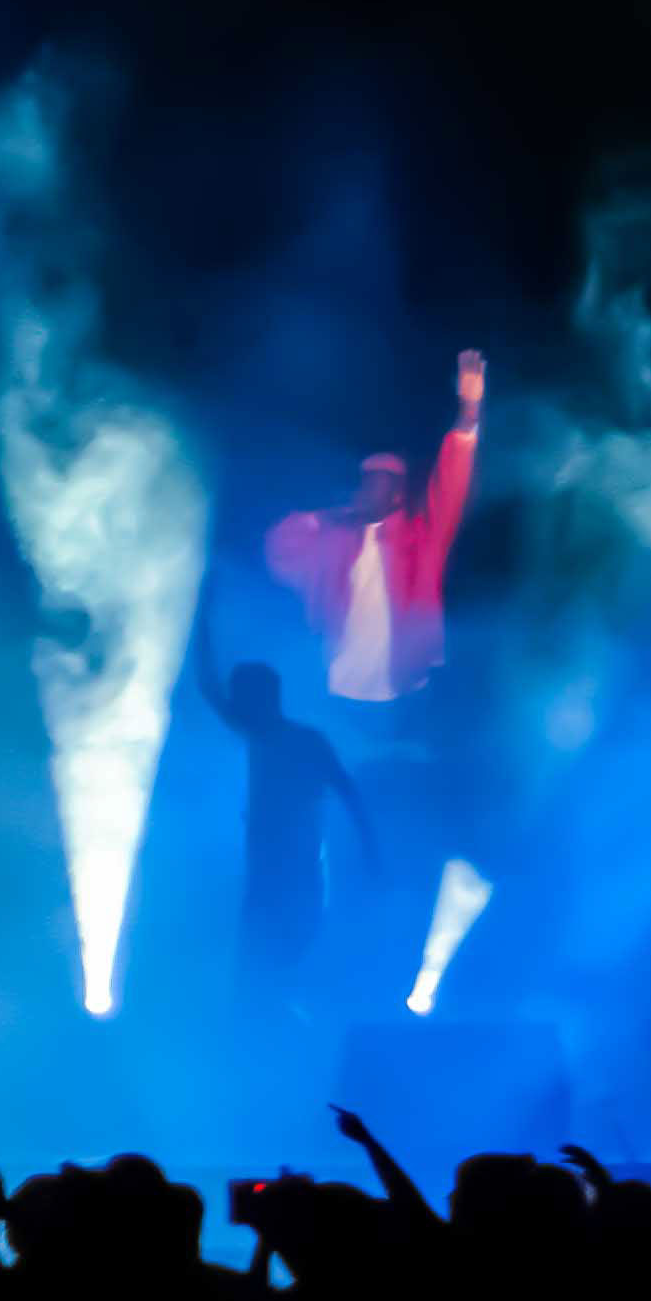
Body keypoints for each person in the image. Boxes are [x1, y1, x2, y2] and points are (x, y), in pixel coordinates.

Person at [266, 350, 483, 711]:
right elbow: (278, 552)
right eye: (364, 482)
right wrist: (325, 516)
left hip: (402, 694)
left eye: (376, 484)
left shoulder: (420, 539)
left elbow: (451, 486)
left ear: (397, 494)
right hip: (334, 695)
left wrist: (468, 412)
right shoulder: (335, 535)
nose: (366, 490)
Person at [192, 610, 381, 1018]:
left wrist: (370, 854)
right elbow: (208, 686)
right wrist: (198, 617)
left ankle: (284, 1016)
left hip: (296, 866)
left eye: (243, 695)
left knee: (289, 946)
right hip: (269, 869)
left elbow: (349, 794)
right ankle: (258, 1022)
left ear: (263, 697)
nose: (237, 704)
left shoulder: (304, 741)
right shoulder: (269, 737)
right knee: (259, 955)